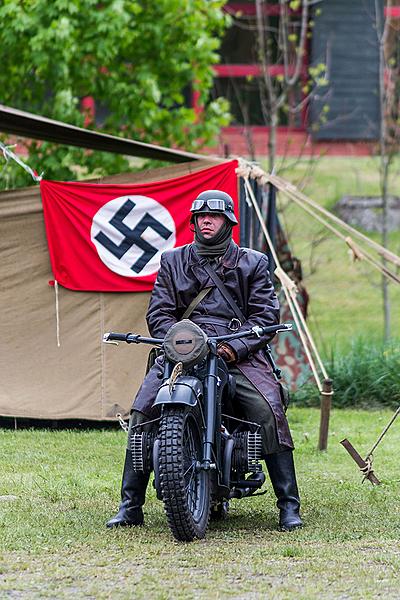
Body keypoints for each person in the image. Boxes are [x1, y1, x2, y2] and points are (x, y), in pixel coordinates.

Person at [106, 189, 302, 532]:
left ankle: (288, 505)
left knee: (267, 408)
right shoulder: (172, 261)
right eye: (200, 216)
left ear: (228, 221)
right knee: (142, 409)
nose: (206, 221)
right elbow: (160, 313)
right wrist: (181, 343)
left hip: (238, 352)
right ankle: (130, 504)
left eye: (214, 216)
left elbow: (265, 317)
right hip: (183, 352)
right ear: (194, 222)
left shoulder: (252, 262)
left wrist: (234, 348)